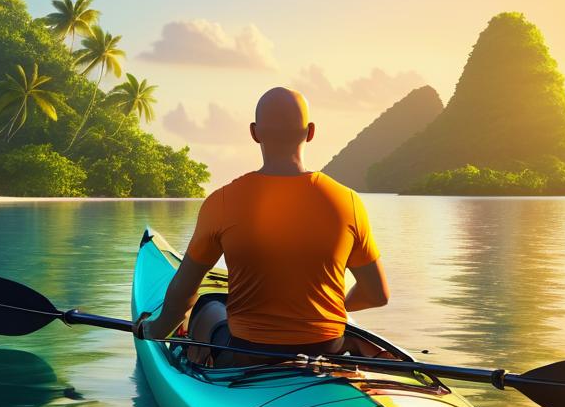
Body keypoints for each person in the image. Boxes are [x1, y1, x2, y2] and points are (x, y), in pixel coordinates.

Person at [134, 87, 389, 367]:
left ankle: (197, 363)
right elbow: (377, 295)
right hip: (326, 347)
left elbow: (183, 297)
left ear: (255, 133)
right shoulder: (347, 201)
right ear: (311, 132)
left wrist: (154, 330)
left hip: (248, 353)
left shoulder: (221, 202)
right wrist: (328, 310)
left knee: (207, 305)